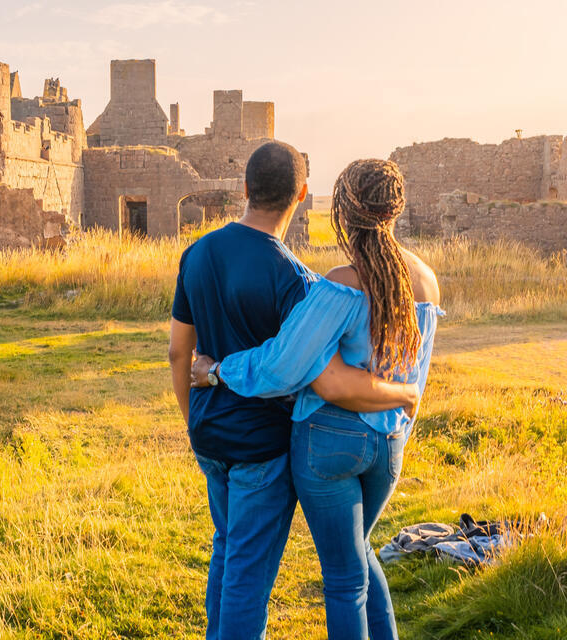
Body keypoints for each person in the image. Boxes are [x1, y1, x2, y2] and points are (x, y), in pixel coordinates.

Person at [169, 143, 421, 640]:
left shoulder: (196, 254)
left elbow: (180, 353)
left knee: (227, 548)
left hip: (209, 431)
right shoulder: (295, 277)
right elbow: (319, 374)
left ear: (244, 188)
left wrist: (193, 418)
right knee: (248, 571)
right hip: (260, 445)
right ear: (303, 195)